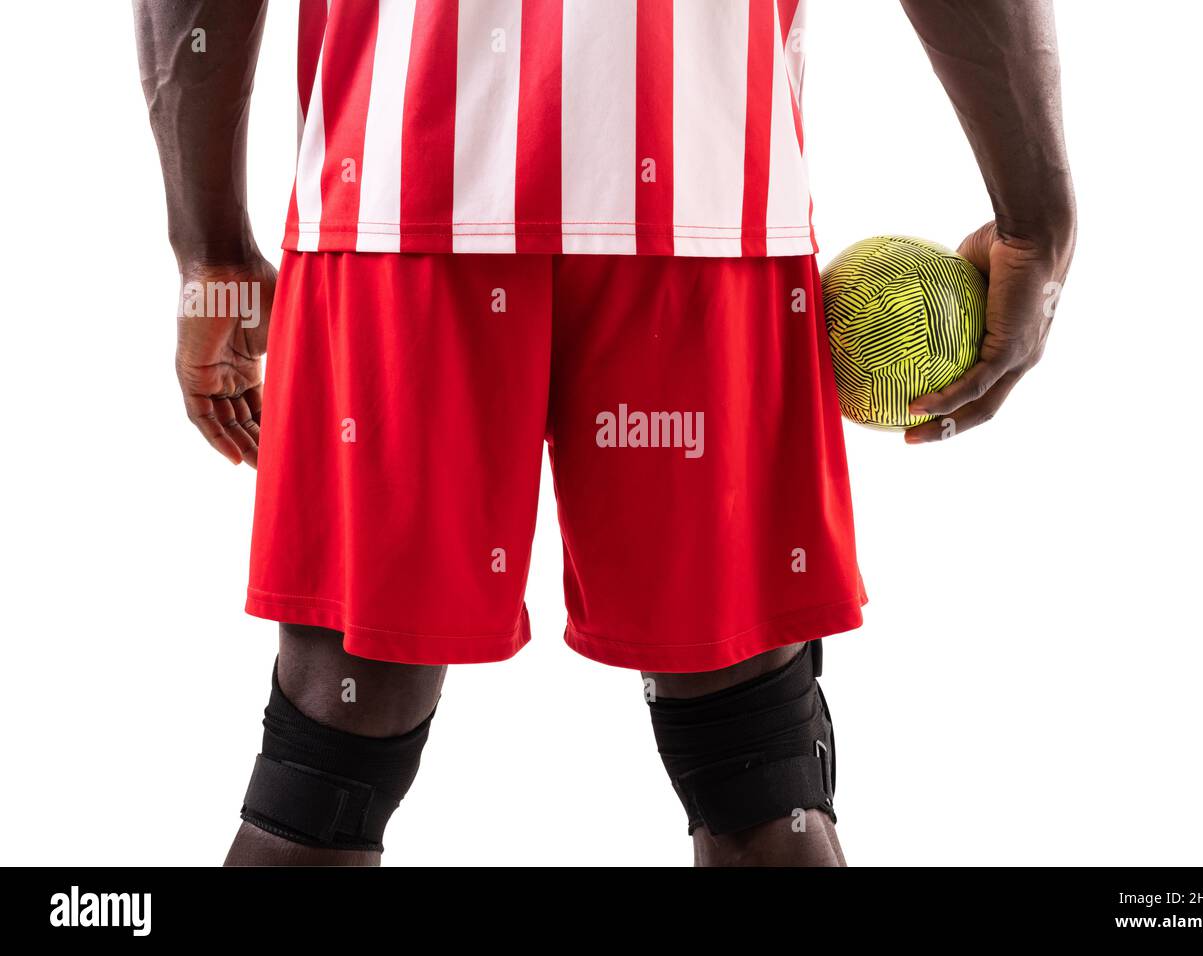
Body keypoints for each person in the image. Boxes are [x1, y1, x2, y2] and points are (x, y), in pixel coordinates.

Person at [133, 0, 1075, 867]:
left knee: (327, 762)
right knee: (757, 765)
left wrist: (208, 245)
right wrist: (1037, 213)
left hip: (397, 174)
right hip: (699, 173)